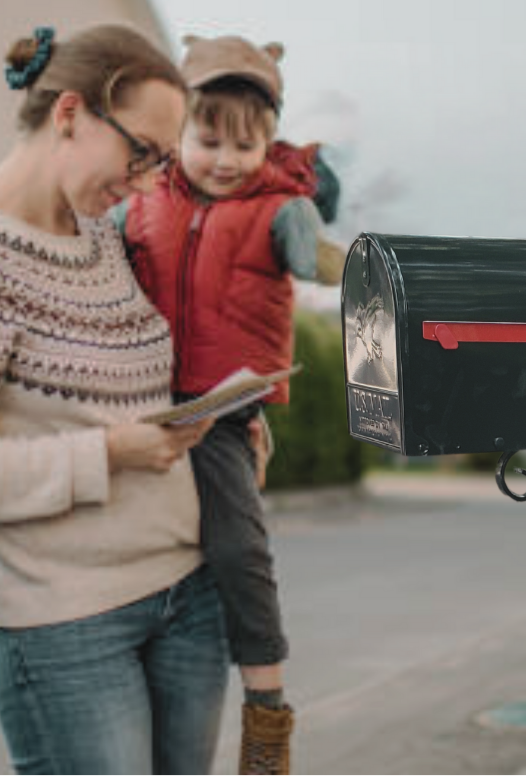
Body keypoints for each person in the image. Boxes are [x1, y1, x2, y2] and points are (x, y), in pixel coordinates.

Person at [0, 24, 228, 774]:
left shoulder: (107, 239)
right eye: (140, 153)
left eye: (159, 163)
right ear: (69, 114)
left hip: (187, 594)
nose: (143, 182)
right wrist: (109, 452)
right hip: (66, 622)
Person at [116, 33, 344, 775]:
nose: (222, 159)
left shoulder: (280, 209)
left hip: (219, 410)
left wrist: (357, 247)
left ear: (268, 143)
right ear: (178, 130)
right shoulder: (144, 198)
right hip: (135, 394)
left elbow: (317, 261)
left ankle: (266, 709)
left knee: (238, 548)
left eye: (243, 147)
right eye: (206, 139)